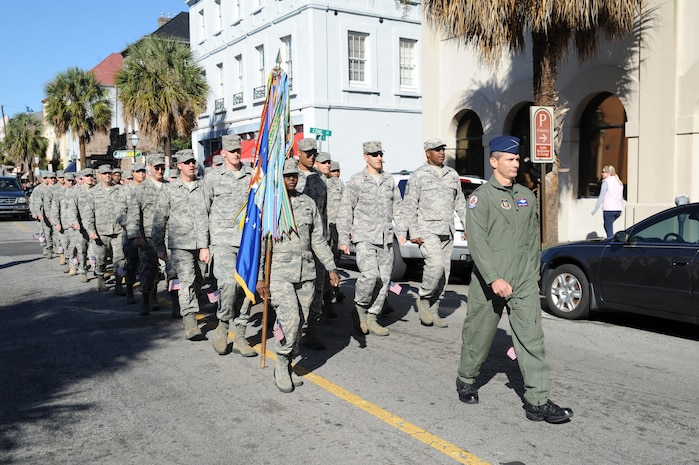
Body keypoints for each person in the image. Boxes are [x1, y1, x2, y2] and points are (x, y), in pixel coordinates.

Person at [456, 135, 573, 424]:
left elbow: (534, 240)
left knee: (532, 339)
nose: (515, 163)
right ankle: (466, 378)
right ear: (494, 161)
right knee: (479, 335)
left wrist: (533, 276)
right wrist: (494, 277)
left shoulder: (527, 195)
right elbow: (477, 243)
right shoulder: (480, 198)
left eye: (517, 159)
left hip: (522, 280)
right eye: (509, 159)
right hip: (489, 281)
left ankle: (538, 401)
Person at [256, 158, 340, 393]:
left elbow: (318, 239)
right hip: (279, 274)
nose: (291, 178)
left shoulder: (308, 204)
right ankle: (281, 363)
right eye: (286, 175)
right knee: (290, 319)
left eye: (294, 175)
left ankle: (290, 360)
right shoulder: (270, 206)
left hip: (306, 273)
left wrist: (331, 267)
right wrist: (260, 277)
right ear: (278, 178)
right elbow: (261, 246)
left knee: (301, 322)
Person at [197, 134, 257, 358]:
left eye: (238, 150)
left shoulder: (253, 176)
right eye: (231, 150)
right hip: (222, 241)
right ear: (222, 153)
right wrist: (203, 245)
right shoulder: (212, 178)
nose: (235, 153)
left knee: (246, 288)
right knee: (229, 284)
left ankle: (240, 334)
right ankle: (222, 326)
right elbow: (202, 211)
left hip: (248, 242)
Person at [396, 139, 466, 328]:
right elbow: (409, 204)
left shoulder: (452, 174)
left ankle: (434, 308)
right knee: (434, 266)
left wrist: (468, 226)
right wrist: (410, 231)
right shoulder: (419, 175)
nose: (441, 152)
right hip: (427, 229)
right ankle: (424, 298)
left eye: (443, 149)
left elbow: (460, 202)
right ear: (428, 153)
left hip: (447, 229)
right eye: (437, 150)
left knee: (444, 271)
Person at [337, 141, 401, 336]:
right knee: (370, 275)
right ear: (366, 157)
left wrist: (405, 231)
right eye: (374, 155)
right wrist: (343, 239)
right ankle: (360, 307)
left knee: (384, 279)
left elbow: (398, 205)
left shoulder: (389, 180)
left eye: (380, 154)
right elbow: (346, 210)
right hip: (364, 236)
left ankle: (372, 317)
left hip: (385, 238)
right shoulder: (356, 180)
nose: (379, 158)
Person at [153, 149, 206, 338]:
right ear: (179, 166)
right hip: (180, 244)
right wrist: (159, 246)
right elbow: (160, 218)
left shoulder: (204, 186)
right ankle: (190, 320)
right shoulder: (170, 189)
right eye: (187, 162)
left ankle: (190, 307)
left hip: (202, 244)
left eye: (193, 161)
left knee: (200, 280)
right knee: (188, 280)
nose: (192, 164)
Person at [295, 138, 329, 348]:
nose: (312, 156)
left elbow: (323, 212)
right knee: (298, 289)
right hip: (297, 244)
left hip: (318, 241)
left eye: (314, 153)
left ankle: (313, 331)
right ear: (299, 153)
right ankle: (293, 329)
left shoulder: (319, 179)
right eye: (308, 153)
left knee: (318, 288)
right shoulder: (290, 177)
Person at [127, 155, 168, 314]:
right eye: (156, 168)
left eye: (162, 168)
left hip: (168, 235)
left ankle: (170, 302)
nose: (160, 171)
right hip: (148, 237)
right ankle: (146, 299)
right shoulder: (141, 189)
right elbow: (133, 213)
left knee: (171, 271)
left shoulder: (169, 187)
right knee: (148, 269)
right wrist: (135, 235)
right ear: (150, 166)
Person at [81, 164, 128, 293]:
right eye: (105, 173)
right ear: (100, 175)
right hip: (100, 233)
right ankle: (100, 278)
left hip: (118, 231)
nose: (108, 175)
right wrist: (91, 231)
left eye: (109, 173)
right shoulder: (93, 192)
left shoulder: (120, 190)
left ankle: (119, 283)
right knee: (101, 259)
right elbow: (88, 214)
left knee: (120, 259)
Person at [122, 162, 146, 303]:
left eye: (143, 171)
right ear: (133, 173)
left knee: (149, 265)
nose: (141, 174)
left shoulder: (150, 188)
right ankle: (129, 288)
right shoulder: (125, 191)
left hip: (148, 232)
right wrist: (128, 226)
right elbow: (120, 211)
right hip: (131, 234)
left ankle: (150, 296)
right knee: (132, 263)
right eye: (138, 171)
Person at [591, 165, 624, 238]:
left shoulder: (606, 183)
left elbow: (601, 197)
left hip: (609, 209)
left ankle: (611, 243)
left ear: (608, 173)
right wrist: (621, 209)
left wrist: (595, 210)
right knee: (607, 225)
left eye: (603, 172)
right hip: (618, 210)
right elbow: (620, 197)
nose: (601, 174)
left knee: (609, 230)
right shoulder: (619, 182)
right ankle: (611, 240)